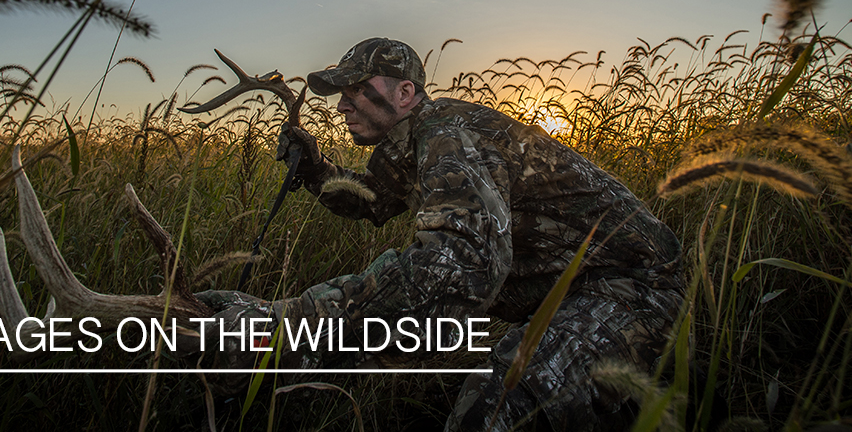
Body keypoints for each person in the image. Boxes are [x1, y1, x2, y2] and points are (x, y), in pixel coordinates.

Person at [196, 37, 683, 431]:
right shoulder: (407, 145)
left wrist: (285, 320)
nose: (342, 105)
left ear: (405, 94)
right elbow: (370, 200)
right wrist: (315, 168)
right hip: (573, 294)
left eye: (356, 90)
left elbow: (462, 263)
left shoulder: (448, 133)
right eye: (340, 94)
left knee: (495, 407)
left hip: (631, 288)